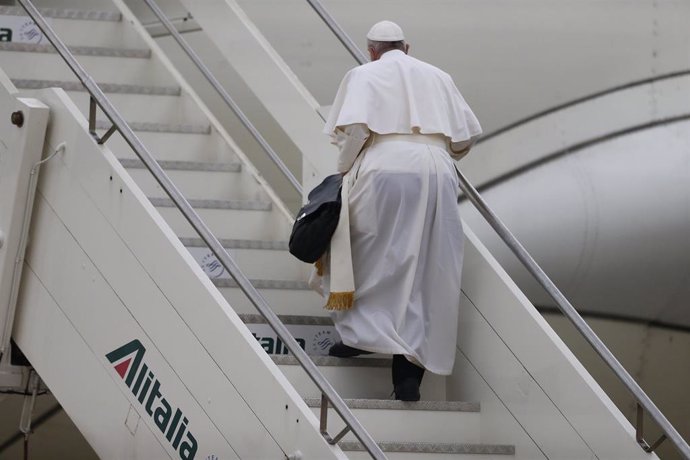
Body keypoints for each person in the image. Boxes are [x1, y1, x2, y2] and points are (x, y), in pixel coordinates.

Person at [320, 20, 482, 401]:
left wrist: (343, 170)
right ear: (406, 47)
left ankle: (359, 338)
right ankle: (408, 376)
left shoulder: (363, 73)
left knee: (365, 252)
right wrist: (441, 150)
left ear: (371, 50)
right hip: (438, 170)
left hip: (384, 165)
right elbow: (466, 136)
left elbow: (356, 132)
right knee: (427, 267)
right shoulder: (439, 76)